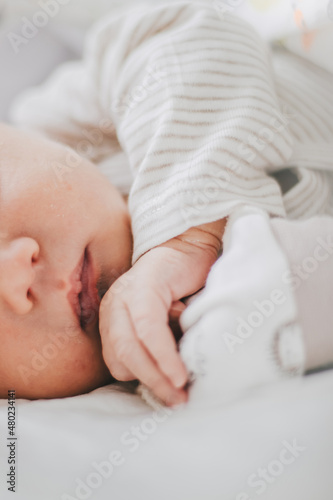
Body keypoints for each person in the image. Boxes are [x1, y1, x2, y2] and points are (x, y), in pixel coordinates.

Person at [1, 2, 332, 405]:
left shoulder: (67, 124)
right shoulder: (183, 351)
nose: (14, 281)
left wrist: (187, 236)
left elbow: (183, 32)